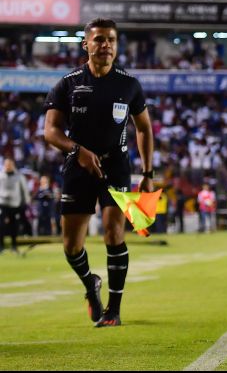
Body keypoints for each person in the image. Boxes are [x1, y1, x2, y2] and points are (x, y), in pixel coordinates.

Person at [43, 18, 154, 327]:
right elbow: (50, 132)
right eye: (100, 39)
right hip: (78, 167)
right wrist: (76, 151)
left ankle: (114, 311)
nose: (106, 45)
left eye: (111, 40)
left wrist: (147, 172)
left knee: (114, 232)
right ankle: (90, 284)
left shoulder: (128, 84)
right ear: (86, 44)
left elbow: (144, 128)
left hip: (116, 166)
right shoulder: (68, 83)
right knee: (71, 246)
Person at [0, 157, 31, 254]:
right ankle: (1, 246)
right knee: (1, 225)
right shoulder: (0, 176)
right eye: (6, 164)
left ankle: (14, 245)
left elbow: (25, 190)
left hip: (15, 204)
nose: (8, 166)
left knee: (14, 226)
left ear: (13, 165)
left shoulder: (19, 176)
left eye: (10, 164)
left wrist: (26, 203)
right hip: (2, 203)